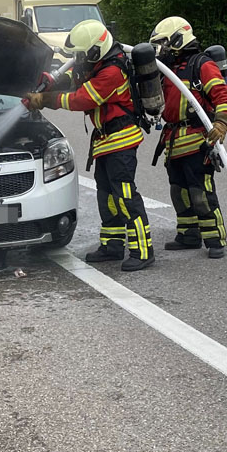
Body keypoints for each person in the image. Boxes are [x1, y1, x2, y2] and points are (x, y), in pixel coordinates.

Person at [24, 19, 154, 272]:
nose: (82, 58)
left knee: (125, 195)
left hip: (121, 140)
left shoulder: (113, 71)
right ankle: (112, 246)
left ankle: (143, 250)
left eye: (85, 53)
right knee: (106, 195)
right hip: (105, 141)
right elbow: (75, 75)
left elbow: (83, 99)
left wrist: (46, 99)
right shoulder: (97, 63)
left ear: (97, 49)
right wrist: (53, 82)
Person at [150, 16, 227, 259]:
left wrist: (221, 123)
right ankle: (188, 235)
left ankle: (214, 238)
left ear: (177, 39)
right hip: (174, 141)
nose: (161, 49)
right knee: (179, 191)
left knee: (201, 193)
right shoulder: (168, 70)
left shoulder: (201, 65)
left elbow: (222, 95)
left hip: (197, 140)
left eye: (164, 43)